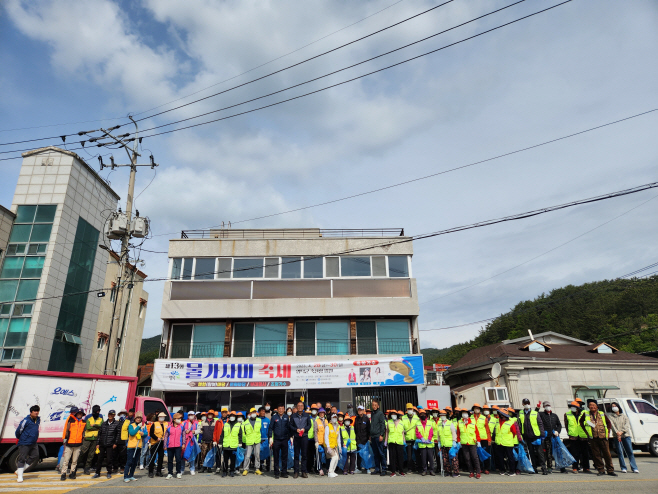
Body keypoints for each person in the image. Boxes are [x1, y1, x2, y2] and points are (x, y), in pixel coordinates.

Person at [579, 399, 616, 477]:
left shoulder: (602, 414)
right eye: (590, 405)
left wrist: (608, 433)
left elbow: (608, 423)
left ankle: (610, 470)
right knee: (596, 455)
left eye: (593, 405)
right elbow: (581, 422)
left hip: (603, 437)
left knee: (607, 454)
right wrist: (586, 432)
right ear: (588, 407)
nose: (592, 407)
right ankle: (601, 470)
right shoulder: (586, 414)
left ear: (597, 407)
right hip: (593, 438)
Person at [607, 401, 639, 474]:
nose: (614, 407)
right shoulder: (611, 416)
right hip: (617, 436)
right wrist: (617, 433)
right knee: (620, 452)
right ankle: (623, 467)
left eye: (615, 406)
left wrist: (622, 431)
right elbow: (612, 425)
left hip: (626, 435)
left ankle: (634, 468)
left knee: (630, 452)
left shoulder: (624, 416)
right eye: (612, 406)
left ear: (618, 407)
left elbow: (627, 425)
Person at [520, 398, 547, 474]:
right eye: (525, 403)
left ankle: (543, 468)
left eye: (528, 403)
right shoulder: (521, 413)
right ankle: (534, 468)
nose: (526, 404)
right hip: (527, 436)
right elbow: (519, 424)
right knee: (531, 453)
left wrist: (542, 435)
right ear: (523, 404)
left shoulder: (535, 413)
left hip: (536, 436)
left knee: (540, 452)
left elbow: (540, 424)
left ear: (530, 404)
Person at [15, 405, 40, 484]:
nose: (36, 413)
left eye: (37, 411)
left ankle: (19, 471)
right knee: (22, 459)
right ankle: (20, 477)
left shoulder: (38, 419)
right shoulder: (26, 420)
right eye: (35, 411)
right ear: (31, 412)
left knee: (35, 456)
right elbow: (18, 431)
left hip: (33, 442)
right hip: (24, 442)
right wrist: (22, 438)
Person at [494, 409, 522, 476]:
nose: (501, 415)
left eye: (502, 414)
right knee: (500, 457)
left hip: (508, 442)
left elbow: (514, 432)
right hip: (499, 442)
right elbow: (495, 431)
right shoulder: (497, 421)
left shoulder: (511, 421)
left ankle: (512, 471)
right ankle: (502, 470)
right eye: (500, 414)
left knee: (510, 457)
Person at [93, 410, 120, 479]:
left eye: (112, 414)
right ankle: (97, 473)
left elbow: (118, 434)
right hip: (102, 444)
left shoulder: (116, 423)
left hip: (110, 444)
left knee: (109, 459)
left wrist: (115, 443)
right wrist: (97, 443)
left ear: (114, 415)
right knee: (99, 459)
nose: (110, 416)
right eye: (109, 414)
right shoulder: (104, 423)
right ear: (108, 415)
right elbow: (99, 434)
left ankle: (109, 472)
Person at [60, 407, 86, 481]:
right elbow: (66, 430)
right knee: (66, 460)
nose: (79, 415)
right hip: (69, 443)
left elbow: (84, 432)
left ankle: (72, 472)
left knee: (75, 460)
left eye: (81, 414)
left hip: (78, 444)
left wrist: (82, 439)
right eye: (78, 413)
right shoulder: (70, 421)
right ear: (76, 414)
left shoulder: (84, 422)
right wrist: (64, 439)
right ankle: (63, 473)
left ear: (82, 415)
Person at [456, 407, 481, 478]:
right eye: (463, 413)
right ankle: (471, 472)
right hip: (464, 443)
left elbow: (477, 433)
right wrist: (458, 441)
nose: (464, 414)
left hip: (472, 443)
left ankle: (478, 472)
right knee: (467, 458)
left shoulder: (473, 422)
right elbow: (458, 433)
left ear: (468, 414)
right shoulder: (459, 422)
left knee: (474, 457)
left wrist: (478, 441)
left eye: (466, 413)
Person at [538, 401, 562, 473]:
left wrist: (557, 431)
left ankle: (561, 466)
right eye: (546, 405)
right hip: (547, 437)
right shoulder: (541, 414)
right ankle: (549, 467)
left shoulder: (554, 415)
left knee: (558, 452)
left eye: (548, 405)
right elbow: (534, 415)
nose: (548, 406)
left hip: (555, 437)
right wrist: (537, 408)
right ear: (544, 407)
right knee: (548, 453)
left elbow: (559, 425)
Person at [564, 401, 589, 473]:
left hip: (583, 435)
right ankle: (575, 467)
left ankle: (586, 468)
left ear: (578, 408)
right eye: (571, 406)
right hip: (573, 436)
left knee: (585, 453)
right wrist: (569, 433)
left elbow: (589, 423)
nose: (572, 408)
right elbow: (566, 425)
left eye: (574, 407)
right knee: (575, 453)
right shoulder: (567, 414)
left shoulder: (585, 413)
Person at [268, 404, 290, 479]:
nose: (281, 410)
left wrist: (289, 437)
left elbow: (288, 428)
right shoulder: (274, 417)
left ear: (284, 409)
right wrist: (270, 437)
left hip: (284, 439)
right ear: (277, 409)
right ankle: (276, 472)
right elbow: (270, 428)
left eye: (282, 409)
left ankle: (284, 472)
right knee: (276, 457)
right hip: (276, 440)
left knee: (284, 457)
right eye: (279, 409)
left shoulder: (286, 417)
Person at [290, 401, 310, 478]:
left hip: (304, 436)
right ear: (297, 407)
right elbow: (290, 426)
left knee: (304, 455)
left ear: (303, 407)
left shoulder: (307, 415)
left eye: (301, 405)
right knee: (296, 455)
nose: (300, 407)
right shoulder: (293, 416)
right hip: (297, 437)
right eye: (298, 406)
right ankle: (296, 471)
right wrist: (296, 429)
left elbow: (309, 425)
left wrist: (305, 429)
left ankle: (304, 471)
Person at [436, 409, 458, 477]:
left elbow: (453, 433)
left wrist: (454, 441)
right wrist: (438, 442)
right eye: (441, 415)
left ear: (446, 416)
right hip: (443, 444)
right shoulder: (439, 425)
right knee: (445, 459)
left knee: (454, 459)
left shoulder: (450, 423)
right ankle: (448, 471)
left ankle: (456, 472)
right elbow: (438, 435)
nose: (442, 416)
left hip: (450, 444)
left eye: (443, 415)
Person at [124, 412, 144, 482]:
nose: (138, 419)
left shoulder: (143, 426)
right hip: (131, 447)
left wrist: (143, 433)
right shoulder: (131, 425)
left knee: (135, 462)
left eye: (140, 418)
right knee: (129, 462)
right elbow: (132, 433)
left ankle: (131, 475)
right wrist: (138, 427)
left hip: (138, 447)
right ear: (135, 419)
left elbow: (146, 434)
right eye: (137, 418)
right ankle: (126, 476)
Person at [471, 403, 491, 474]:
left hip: (483, 438)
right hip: (474, 439)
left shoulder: (483, 418)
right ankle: (480, 468)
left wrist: (489, 439)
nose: (477, 409)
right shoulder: (470, 418)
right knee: (476, 455)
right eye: (475, 408)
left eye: (478, 408)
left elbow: (487, 429)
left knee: (485, 454)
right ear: (473, 409)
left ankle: (487, 468)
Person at [241, 407, 263, 475]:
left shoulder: (259, 420)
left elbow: (261, 430)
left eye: (255, 412)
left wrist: (261, 439)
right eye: (252, 412)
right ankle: (245, 469)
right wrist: (244, 441)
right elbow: (243, 433)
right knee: (247, 456)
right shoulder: (245, 422)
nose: (254, 413)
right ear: (250, 413)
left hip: (257, 440)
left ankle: (257, 469)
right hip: (249, 441)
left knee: (257, 455)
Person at [369, 399, 387, 476]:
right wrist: (370, 435)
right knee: (375, 453)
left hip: (378, 436)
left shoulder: (380, 414)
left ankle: (384, 469)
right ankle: (377, 468)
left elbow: (382, 424)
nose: (374, 406)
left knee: (381, 453)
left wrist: (381, 435)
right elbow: (372, 425)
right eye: (373, 405)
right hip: (373, 436)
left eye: (375, 405)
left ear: (378, 406)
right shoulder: (372, 414)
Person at [415, 409, 435, 476]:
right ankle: (424, 470)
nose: (422, 415)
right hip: (422, 443)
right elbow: (417, 433)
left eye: (423, 414)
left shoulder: (430, 422)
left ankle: (431, 470)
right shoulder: (417, 423)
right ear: (419, 415)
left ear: (426, 415)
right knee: (423, 458)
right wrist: (421, 438)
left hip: (429, 443)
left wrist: (429, 439)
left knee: (431, 458)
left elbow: (431, 432)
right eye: (421, 414)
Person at [385, 410, 405, 477]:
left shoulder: (401, 422)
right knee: (392, 457)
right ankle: (393, 471)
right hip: (392, 441)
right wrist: (386, 440)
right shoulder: (389, 422)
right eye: (392, 414)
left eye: (394, 414)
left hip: (399, 441)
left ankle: (401, 471)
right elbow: (387, 432)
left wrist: (404, 440)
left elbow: (402, 432)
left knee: (400, 457)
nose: (393, 415)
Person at [148, 412, 168, 478]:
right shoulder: (155, 424)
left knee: (161, 457)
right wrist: (157, 438)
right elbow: (151, 433)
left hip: (162, 443)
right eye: (161, 417)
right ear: (158, 417)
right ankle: (150, 471)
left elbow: (168, 433)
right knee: (153, 457)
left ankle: (158, 471)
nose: (162, 418)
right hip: (155, 443)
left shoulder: (166, 424)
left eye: (163, 417)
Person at [164, 413, 184, 479]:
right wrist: (165, 445)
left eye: (180, 418)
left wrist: (183, 443)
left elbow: (184, 436)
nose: (179, 420)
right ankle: (170, 473)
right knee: (170, 460)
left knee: (178, 460)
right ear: (174, 419)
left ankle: (178, 472)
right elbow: (166, 436)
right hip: (170, 446)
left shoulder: (181, 426)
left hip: (178, 446)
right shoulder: (169, 427)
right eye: (178, 419)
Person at [401, 403, 420, 472]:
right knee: (409, 455)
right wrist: (403, 431)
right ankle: (410, 468)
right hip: (407, 439)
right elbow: (401, 427)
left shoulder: (417, 418)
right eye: (408, 409)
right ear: (406, 409)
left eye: (410, 409)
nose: (409, 410)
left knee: (417, 454)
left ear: (412, 409)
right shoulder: (403, 418)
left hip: (415, 439)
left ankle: (417, 468)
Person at [324, 413, 342, 478]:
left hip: (334, 446)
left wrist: (339, 446)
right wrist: (328, 446)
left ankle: (333, 471)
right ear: (331, 418)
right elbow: (326, 436)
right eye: (333, 417)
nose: (334, 419)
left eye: (335, 417)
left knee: (337, 458)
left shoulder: (337, 426)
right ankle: (330, 472)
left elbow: (338, 437)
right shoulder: (328, 426)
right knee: (334, 457)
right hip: (328, 446)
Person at [354, 405, 370, 473]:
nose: (360, 411)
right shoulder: (356, 418)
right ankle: (359, 468)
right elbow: (355, 429)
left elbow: (369, 429)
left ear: (363, 410)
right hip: (358, 439)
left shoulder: (366, 418)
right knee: (359, 455)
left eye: (361, 410)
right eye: (359, 410)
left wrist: (369, 438)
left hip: (365, 439)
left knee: (366, 454)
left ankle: (367, 468)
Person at [313, 407, 328, 475]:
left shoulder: (326, 421)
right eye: (320, 413)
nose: (322, 414)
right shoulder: (316, 421)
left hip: (326, 442)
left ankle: (327, 468)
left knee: (327, 456)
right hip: (319, 442)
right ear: (319, 414)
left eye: (323, 413)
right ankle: (320, 469)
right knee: (318, 457)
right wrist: (316, 441)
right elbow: (315, 432)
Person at [115, 409, 130, 474]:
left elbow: (129, 431)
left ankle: (122, 467)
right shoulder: (116, 421)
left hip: (124, 440)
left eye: (124, 413)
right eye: (121, 413)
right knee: (115, 455)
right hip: (116, 440)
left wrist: (128, 441)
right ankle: (115, 467)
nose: (122, 415)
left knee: (123, 455)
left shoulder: (128, 422)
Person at [212, 410, 225, 474]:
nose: (224, 413)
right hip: (219, 440)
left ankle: (224, 466)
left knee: (226, 455)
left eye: (225, 412)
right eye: (223, 412)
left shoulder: (228, 421)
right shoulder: (218, 421)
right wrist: (214, 440)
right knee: (218, 454)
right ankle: (218, 467)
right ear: (221, 413)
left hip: (227, 440)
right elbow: (215, 431)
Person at [259, 407, 271, 472]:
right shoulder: (257, 420)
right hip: (259, 439)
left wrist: (270, 438)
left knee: (267, 454)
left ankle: (268, 466)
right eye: (261, 411)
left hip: (266, 439)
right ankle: (260, 466)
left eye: (264, 411)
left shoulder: (268, 420)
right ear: (259, 412)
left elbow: (270, 430)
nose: (263, 412)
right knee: (260, 454)